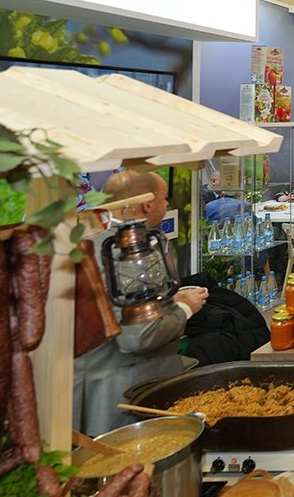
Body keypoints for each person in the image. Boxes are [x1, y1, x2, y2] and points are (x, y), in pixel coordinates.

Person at [74, 169, 208, 436]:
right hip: (124, 397)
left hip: (95, 387)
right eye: (164, 198)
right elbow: (139, 336)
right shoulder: (125, 252)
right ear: (147, 204)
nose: (166, 204)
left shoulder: (87, 241)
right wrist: (184, 308)